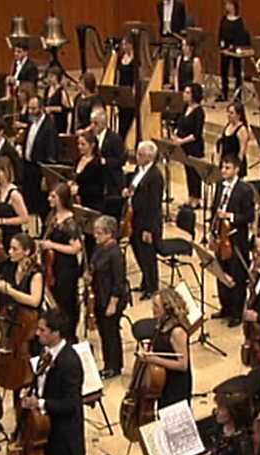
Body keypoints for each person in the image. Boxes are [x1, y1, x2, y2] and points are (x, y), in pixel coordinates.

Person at [23, 309, 87, 455]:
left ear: (56, 333)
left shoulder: (69, 362)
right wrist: (31, 392)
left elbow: (70, 404)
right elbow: (41, 381)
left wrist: (39, 403)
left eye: (42, 330)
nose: (37, 333)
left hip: (65, 429)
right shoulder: (47, 352)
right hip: (47, 425)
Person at [0, 233, 45, 416]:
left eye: (15, 249)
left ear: (27, 251)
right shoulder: (12, 267)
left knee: (30, 371)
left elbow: (34, 300)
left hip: (31, 327)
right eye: (10, 248)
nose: (10, 252)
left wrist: (9, 291)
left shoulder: (36, 273)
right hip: (16, 323)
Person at [210, 155, 255, 326]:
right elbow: (214, 209)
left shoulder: (244, 189)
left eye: (227, 168)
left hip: (236, 239)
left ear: (236, 169)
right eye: (222, 167)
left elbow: (249, 216)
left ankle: (236, 312)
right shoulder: (219, 185)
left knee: (236, 275)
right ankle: (225, 307)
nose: (223, 171)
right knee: (222, 273)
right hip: (221, 237)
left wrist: (230, 216)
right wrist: (212, 231)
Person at [40, 184, 83, 341]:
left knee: (66, 302)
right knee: (54, 301)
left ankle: (69, 335)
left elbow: (76, 248)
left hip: (66, 268)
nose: (49, 199)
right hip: (52, 265)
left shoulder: (70, 221)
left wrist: (52, 245)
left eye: (53, 196)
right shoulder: (52, 216)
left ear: (62, 199)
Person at [89, 216, 128, 379]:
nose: (95, 236)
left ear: (109, 234)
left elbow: (119, 282)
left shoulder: (116, 253)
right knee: (104, 332)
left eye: (99, 233)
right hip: (100, 295)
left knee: (110, 332)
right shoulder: (100, 248)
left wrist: (113, 303)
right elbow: (94, 266)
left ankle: (114, 366)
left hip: (112, 298)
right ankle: (108, 364)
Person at [142, 288, 193, 408]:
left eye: (156, 306)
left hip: (176, 385)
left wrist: (154, 359)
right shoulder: (161, 323)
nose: (153, 309)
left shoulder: (177, 332)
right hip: (163, 380)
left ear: (167, 309)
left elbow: (183, 365)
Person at [125, 140, 163, 299]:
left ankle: (152, 287)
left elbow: (154, 205)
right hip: (134, 218)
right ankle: (145, 281)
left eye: (140, 155)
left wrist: (149, 229)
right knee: (138, 251)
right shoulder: (138, 170)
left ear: (150, 157)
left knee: (147, 255)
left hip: (147, 222)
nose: (137, 157)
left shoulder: (155, 176)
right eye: (137, 153)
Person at [22, 96, 57, 223]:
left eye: (34, 108)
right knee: (30, 201)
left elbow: (51, 152)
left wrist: (46, 175)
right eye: (29, 108)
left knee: (41, 204)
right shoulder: (31, 122)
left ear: (41, 108)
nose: (30, 111)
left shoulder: (49, 127)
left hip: (40, 170)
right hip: (29, 167)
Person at [0, 156, 29, 255]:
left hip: (11, 237)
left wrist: (2, 221)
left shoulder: (14, 194)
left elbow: (25, 218)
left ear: (6, 172)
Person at [89, 108, 126, 215]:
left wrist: (106, 161)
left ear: (103, 123)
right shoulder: (91, 138)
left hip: (112, 181)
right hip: (97, 182)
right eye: (91, 123)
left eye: (95, 123)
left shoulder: (114, 138)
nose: (92, 126)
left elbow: (121, 160)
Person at [174, 83, 206, 208]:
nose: (184, 94)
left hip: (194, 147)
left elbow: (196, 134)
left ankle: (196, 199)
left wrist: (181, 141)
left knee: (195, 173)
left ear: (194, 95)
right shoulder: (185, 108)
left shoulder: (199, 112)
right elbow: (180, 123)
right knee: (188, 172)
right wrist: (176, 133)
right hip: (185, 147)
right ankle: (190, 197)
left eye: (187, 92)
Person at [218, 0, 250, 101]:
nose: (226, 6)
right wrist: (222, 45)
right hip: (225, 50)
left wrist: (233, 46)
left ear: (233, 6)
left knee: (237, 72)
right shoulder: (224, 19)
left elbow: (241, 36)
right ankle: (224, 93)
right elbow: (221, 34)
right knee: (224, 72)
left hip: (235, 50)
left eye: (228, 4)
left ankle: (237, 95)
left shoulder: (239, 21)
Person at [217, 101, 251, 177]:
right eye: (228, 112)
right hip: (225, 161)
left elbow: (242, 152)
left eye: (231, 113)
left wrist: (236, 168)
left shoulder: (242, 129)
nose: (228, 115)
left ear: (238, 115)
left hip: (234, 164)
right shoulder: (228, 125)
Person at [115, 38, 137, 140]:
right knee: (121, 116)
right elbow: (118, 74)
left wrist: (133, 91)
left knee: (128, 115)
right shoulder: (120, 58)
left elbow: (136, 77)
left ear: (130, 45)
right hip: (122, 90)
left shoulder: (135, 59)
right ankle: (121, 138)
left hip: (130, 90)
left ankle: (127, 138)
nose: (123, 47)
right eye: (122, 45)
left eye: (125, 44)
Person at [42, 67, 71, 135]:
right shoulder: (47, 90)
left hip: (59, 121)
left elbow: (66, 108)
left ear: (57, 77)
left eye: (52, 76)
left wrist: (52, 109)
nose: (49, 79)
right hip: (49, 120)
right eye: (48, 76)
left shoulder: (61, 91)